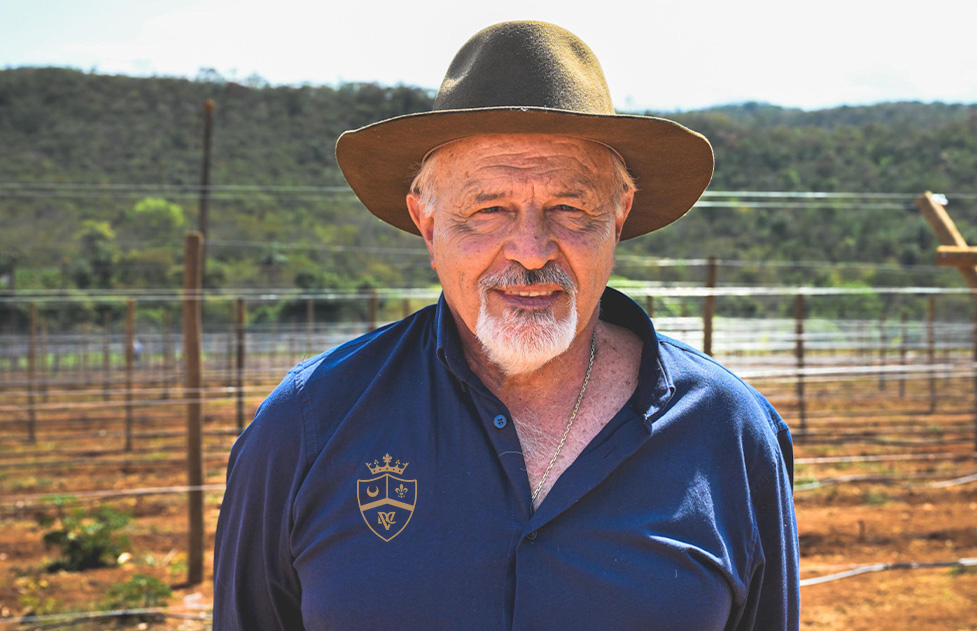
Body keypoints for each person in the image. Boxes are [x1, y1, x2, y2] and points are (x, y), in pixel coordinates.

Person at [214, 20, 799, 630]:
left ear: (619, 215)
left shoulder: (729, 432)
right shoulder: (308, 424)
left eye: (570, 208)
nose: (530, 249)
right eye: (488, 209)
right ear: (427, 222)